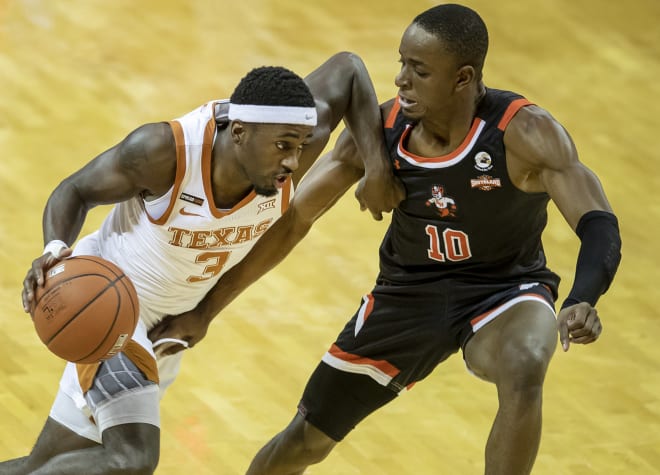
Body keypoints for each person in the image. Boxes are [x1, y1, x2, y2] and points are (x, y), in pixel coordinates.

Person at [149, 4, 622, 474]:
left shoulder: (523, 133)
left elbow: (598, 222)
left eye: (418, 70)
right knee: (305, 441)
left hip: (503, 290)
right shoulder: (381, 134)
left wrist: (583, 297)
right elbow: (294, 221)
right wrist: (205, 310)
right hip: (406, 296)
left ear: (462, 78)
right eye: (400, 63)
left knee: (526, 362)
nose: (400, 80)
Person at [2, 52, 402, 475]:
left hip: (165, 328)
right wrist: (53, 250)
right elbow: (76, 190)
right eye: (284, 146)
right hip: (108, 306)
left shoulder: (292, 138)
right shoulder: (163, 151)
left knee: (47, 465)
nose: (293, 160)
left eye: (301, 146)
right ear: (240, 132)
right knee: (130, 460)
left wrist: (376, 168)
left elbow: (349, 70)